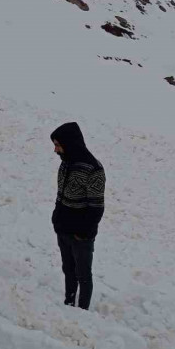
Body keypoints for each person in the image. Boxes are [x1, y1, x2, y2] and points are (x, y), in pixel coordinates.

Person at [51, 122, 105, 310]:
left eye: (58, 145)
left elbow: (96, 208)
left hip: (81, 235)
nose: (55, 150)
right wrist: (56, 219)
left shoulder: (93, 169)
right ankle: (68, 304)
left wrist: (83, 233)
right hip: (63, 229)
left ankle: (82, 312)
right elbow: (60, 195)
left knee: (83, 275)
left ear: (70, 143)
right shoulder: (66, 164)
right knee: (68, 270)